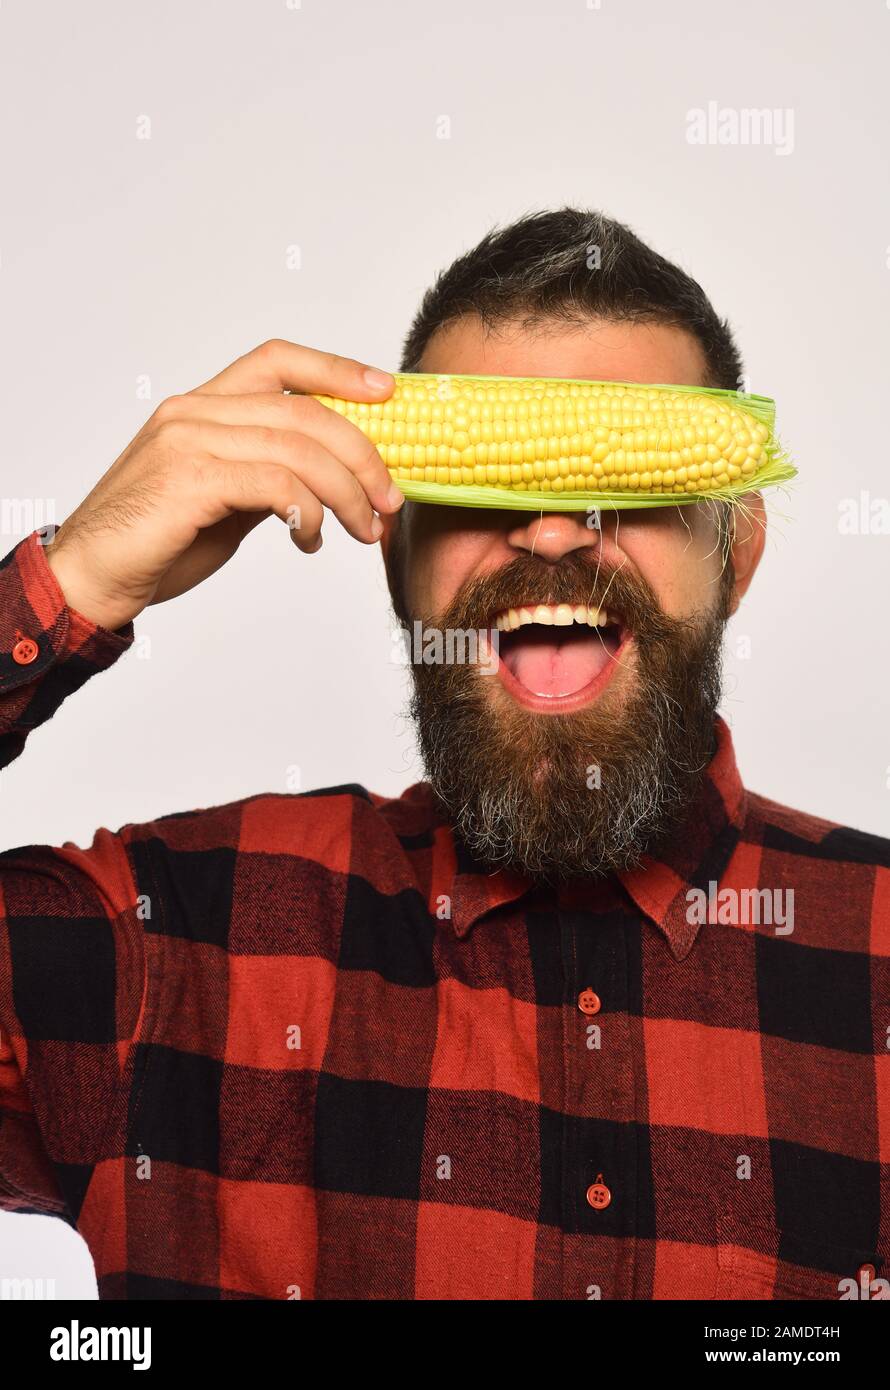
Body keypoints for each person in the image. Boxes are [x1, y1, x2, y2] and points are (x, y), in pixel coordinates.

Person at [1, 208, 886, 1301]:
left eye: (632, 472)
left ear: (735, 557)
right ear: (395, 558)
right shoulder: (161, 947)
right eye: (484, 478)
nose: (554, 531)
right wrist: (69, 586)